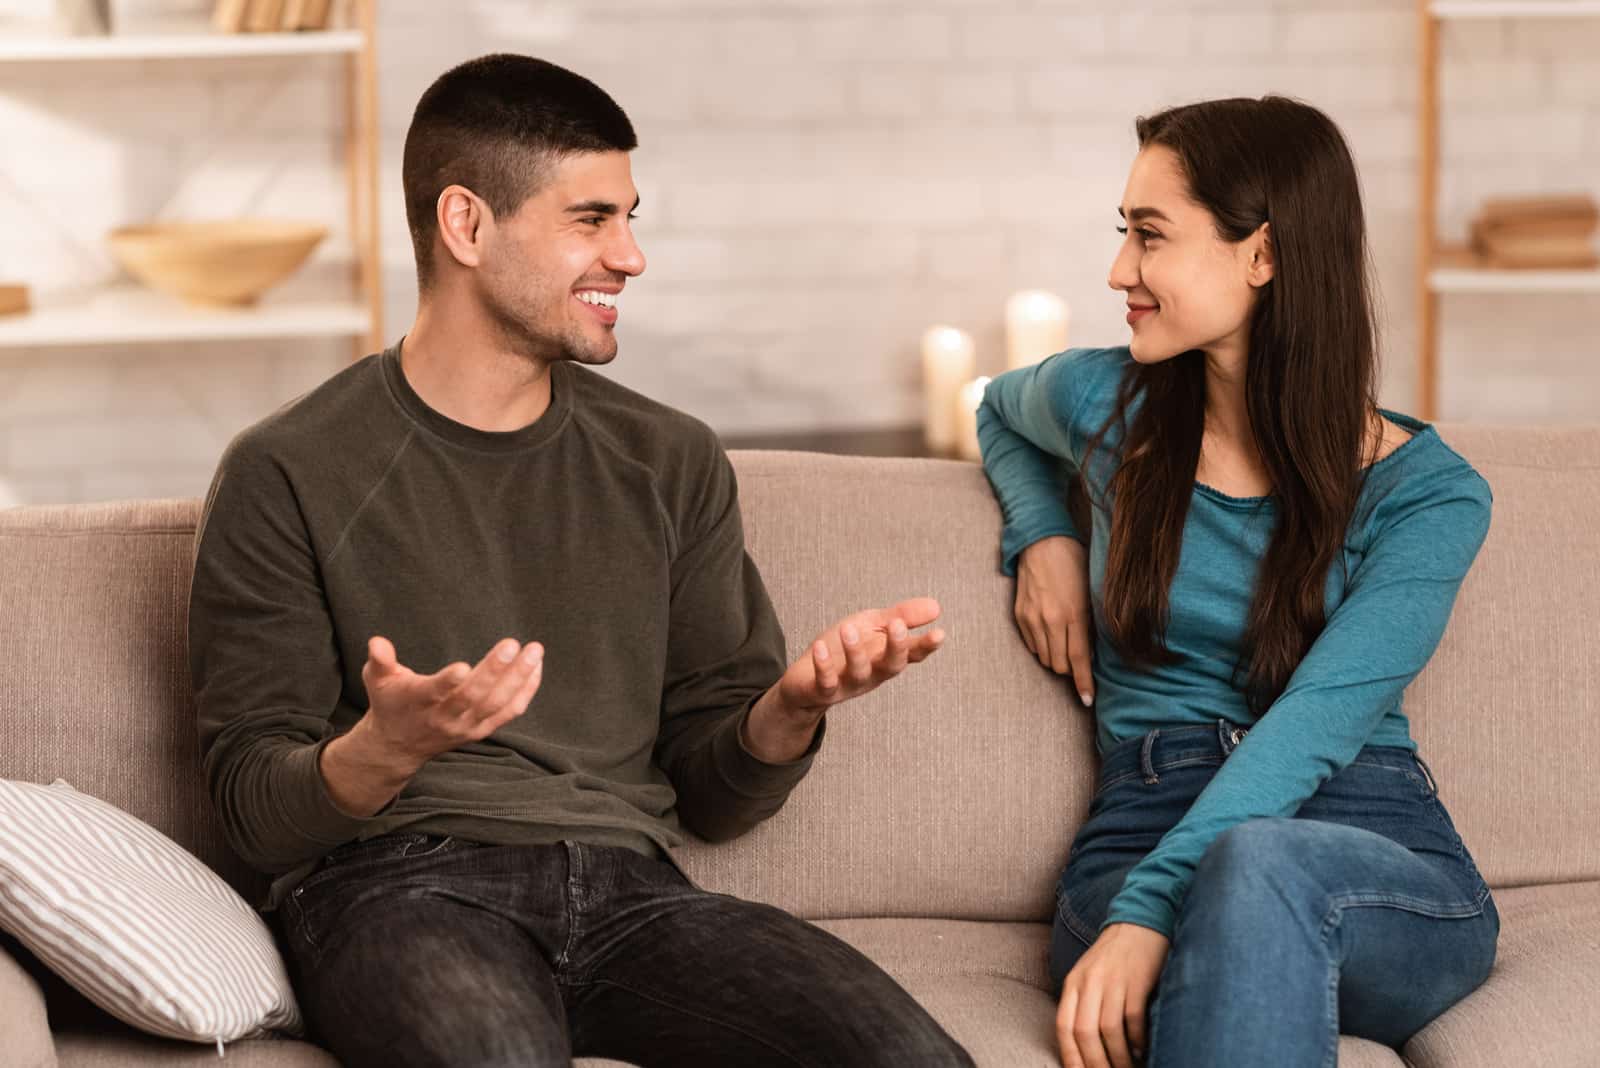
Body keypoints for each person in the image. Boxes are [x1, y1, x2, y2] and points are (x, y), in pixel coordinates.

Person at [190, 53, 972, 1068]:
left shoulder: (669, 459)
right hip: (396, 887)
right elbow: (252, 811)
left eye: (629, 217)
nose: (631, 256)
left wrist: (790, 709)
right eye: (591, 220)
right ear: (466, 225)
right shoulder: (288, 468)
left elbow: (713, 798)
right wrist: (388, 745)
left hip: (633, 893)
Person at [976, 96, 1498, 1068]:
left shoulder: (1428, 497)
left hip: (1368, 851)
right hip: (1144, 818)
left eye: (1149, 236)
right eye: (1121, 234)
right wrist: (1041, 531)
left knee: (1256, 868)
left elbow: (1312, 728)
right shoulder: (1104, 403)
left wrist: (1151, 910)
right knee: (1245, 886)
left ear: (1260, 255)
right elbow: (998, 415)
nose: (1116, 271)